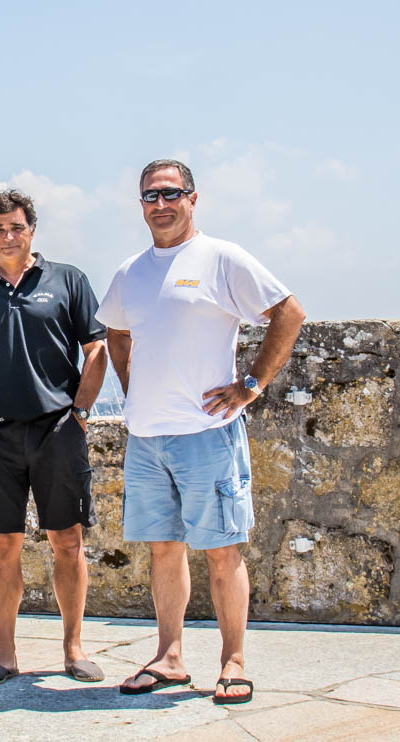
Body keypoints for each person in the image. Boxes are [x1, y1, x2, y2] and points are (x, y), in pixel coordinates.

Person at [96, 159, 305, 706]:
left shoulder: (221, 258)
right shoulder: (130, 271)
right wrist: (132, 382)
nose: (160, 205)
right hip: (146, 435)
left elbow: (288, 312)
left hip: (206, 433)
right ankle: (169, 657)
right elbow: (116, 332)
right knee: (163, 550)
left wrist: (252, 385)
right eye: (150, 196)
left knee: (221, 549)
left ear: (193, 198)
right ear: (139, 204)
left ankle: (233, 661)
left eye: (171, 194)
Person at [0, 189, 108, 687]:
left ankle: (74, 648)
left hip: (58, 429)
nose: (8, 236)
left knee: (68, 542)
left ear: (32, 228)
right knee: (2, 546)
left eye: (16, 227)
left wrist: (79, 413)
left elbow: (96, 349)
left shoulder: (68, 280)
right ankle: (5, 653)